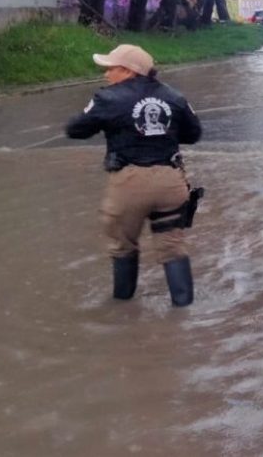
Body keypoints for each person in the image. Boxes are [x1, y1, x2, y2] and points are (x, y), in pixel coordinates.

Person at [65, 44, 203, 307]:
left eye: (111, 69)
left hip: (129, 183)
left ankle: (121, 312)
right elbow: (193, 134)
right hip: (171, 181)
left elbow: (75, 130)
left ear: (128, 71)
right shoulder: (175, 96)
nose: (106, 75)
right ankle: (183, 313)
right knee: (172, 247)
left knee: (123, 245)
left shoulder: (108, 98)